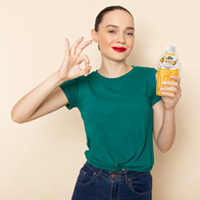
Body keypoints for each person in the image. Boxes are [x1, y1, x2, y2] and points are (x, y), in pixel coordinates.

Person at [11, 5, 182, 200]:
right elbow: (19, 115)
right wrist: (59, 77)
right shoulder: (81, 85)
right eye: (112, 31)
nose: (121, 39)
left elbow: (164, 145)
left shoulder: (151, 78)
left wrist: (170, 108)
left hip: (136, 185)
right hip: (92, 182)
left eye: (129, 33)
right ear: (95, 35)